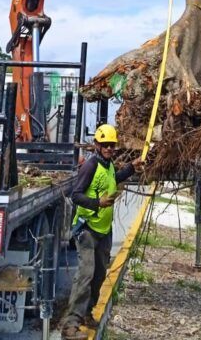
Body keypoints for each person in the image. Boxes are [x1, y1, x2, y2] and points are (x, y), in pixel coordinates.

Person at [61, 124, 143, 340]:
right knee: (86, 274)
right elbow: (75, 195)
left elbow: (115, 178)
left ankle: (88, 312)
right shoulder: (90, 166)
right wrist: (98, 203)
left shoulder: (108, 166)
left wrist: (132, 167)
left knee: (99, 275)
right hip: (87, 229)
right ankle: (70, 325)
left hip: (104, 230)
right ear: (97, 145)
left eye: (111, 145)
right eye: (104, 144)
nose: (108, 148)